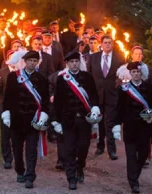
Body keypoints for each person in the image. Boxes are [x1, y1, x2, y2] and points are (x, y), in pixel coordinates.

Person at [52, 51, 100, 190]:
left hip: (84, 119)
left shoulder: (87, 77)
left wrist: (95, 107)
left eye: (76, 62)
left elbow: (94, 95)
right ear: (67, 64)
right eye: (71, 62)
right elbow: (58, 101)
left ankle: (80, 166)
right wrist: (56, 121)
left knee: (83, 147)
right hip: (68, 120)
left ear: (80, 63)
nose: (74, 64)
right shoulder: (62, 79)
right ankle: (71, 178)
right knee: (69, 149)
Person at [1, 50, 49, 189]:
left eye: (35, 61)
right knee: (17, 148)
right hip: (16, 120)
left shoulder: (42, 79)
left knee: (31, 150)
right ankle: (20, 171)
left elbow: (45, 101)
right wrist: (6, 113)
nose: (32, 63)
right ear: (25, 61)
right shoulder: (13, 77)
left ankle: (30, 176)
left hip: (32, 121)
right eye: (30, 61)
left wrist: (44, 115)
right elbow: (7, 98)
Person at [112, 61, 152, 193]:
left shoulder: (150, 88)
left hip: (145, 127)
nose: (136, 74)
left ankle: (134, 176)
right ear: (130, 73)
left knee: (143, 155)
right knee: (131, 156)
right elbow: (119, 109)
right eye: (133, 72)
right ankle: (133, 183)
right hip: (130, 128)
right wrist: (116, 125)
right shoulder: (124, 89)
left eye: (138, 72)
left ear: (141, 73)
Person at [87, 35, 123, 160]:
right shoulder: (93, 57)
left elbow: (122, 76)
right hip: (97, 95)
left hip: (112, 95)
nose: (107, 44)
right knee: (99, 122)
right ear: (101, 44)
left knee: (110, 122)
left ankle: (112, 150)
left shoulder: (119, 57)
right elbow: (89, 76)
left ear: (112, 44)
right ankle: (100, 146)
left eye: (109, 42)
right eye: (105, 42)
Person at [0, 50, 16, 169]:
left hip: (19, 108)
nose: (13, 61)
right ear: (7, 60)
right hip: (5, 107)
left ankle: (18, 156)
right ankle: (7, 158)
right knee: (5, 134)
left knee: (17, 133)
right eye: (11, 58)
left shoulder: (22, 72)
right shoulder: (1, 73)